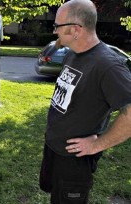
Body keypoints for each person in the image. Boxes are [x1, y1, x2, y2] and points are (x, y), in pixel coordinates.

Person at [39, 0, 131, 203]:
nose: (55, 31)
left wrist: (98, 144)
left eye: (57, 26)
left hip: (75, 160)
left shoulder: (108, 65)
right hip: (55, 149)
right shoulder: (73, 54)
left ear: (76, 29)